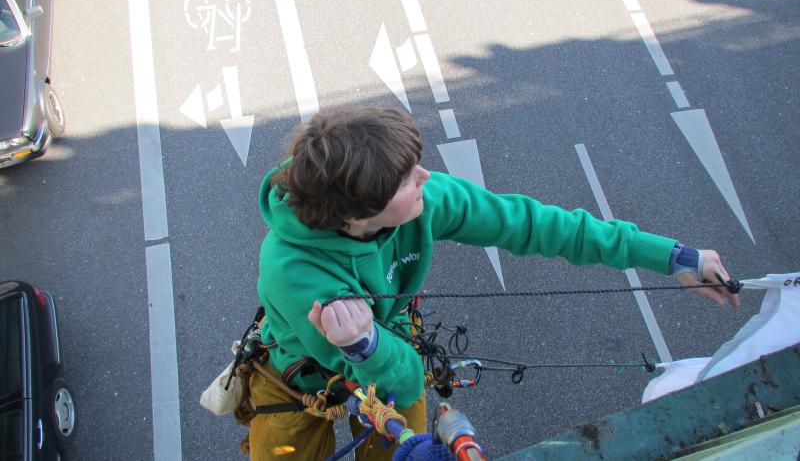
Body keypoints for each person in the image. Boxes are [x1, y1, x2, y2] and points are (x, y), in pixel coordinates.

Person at [248, 106, 738, 460]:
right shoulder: (298, 274)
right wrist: (363, 344)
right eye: (406, 179)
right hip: (307, 381)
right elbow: (400, 380)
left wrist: (671, 256)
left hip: (377, 346)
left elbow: (532, 224)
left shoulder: (416, 198)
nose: (425, 175)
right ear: (357, 214)